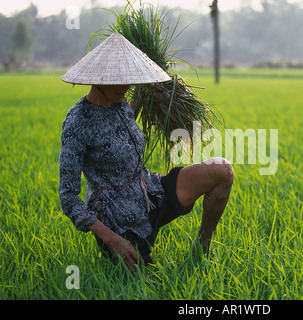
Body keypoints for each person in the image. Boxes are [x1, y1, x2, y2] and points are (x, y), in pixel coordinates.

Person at [59, 32, 234, 269]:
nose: (127, 85)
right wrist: (111, 239)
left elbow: (125, 121)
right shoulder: (78, 122)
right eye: (119, 80)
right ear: (98, 79)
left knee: (222, 171)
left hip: (149, 193)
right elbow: (68, 197)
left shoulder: (118, 103)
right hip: (116, 218)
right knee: (139, 279)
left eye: (129, 78)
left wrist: (149, 97)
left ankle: (203, 245)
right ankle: (123, 245)